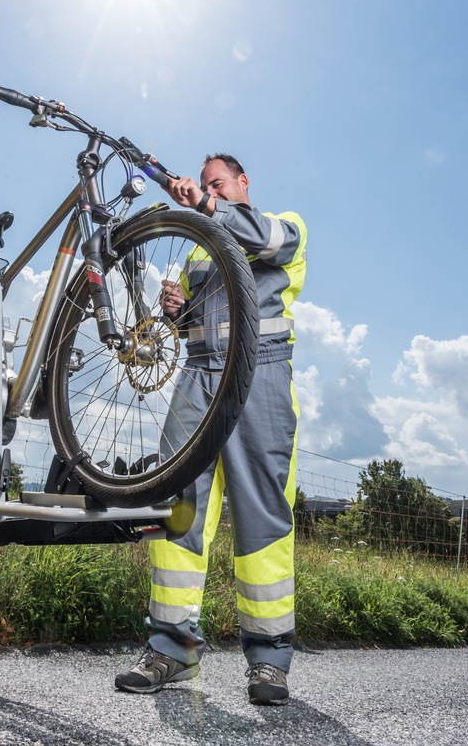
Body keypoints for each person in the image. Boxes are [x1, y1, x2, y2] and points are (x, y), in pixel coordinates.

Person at [114, 154, 307, 706]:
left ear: (243, 183)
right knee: (178, 506)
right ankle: (171, 650)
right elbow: (190, 319)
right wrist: (175, 311)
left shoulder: (284, 225)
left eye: (216, 183)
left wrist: (207, 207)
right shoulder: (200, 248)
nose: (206, 191)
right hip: (198, 374)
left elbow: (262, 243)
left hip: (261, 372)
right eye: (202, 186)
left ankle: (269, 661)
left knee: (263, 515)